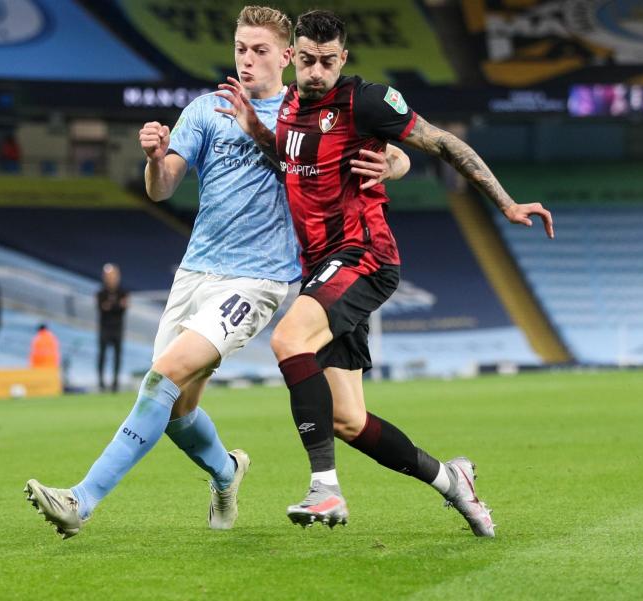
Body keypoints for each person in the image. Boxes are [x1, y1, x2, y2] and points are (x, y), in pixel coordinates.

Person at [23, 6, 411, 539]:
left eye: (259, 51)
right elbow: (162, 187)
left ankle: (81, 500)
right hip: (195, 272)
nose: (247, 60)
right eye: (240, 49)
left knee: (162, 377)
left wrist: (391, 163)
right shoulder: (206, 110)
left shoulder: (305, 111)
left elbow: (395, 155)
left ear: (287, 56)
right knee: (176, 409)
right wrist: (156, 159)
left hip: (260, 280)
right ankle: (227, 473)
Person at [216, 9, 554, 536]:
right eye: (308, 61)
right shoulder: (286, 108)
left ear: (343, 58)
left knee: (288, 341)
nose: (318, 72)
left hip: (363, 256)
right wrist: (255, 128)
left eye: (328, 61)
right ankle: (453, 481)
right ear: (292, 58)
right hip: (320, 269)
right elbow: (294, 157)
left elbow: (441, 142)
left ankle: (325, 490)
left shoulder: (366, 101)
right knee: (347, 420)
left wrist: (505, 203)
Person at [96, 263, 129, 392]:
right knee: (102, 356)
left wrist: (111, 306)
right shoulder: (101, 293)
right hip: (104, 329)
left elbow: (122, 308)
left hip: (118, 329)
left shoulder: (123, 292)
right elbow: (102, 308)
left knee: (117, 356)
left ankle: (115, 384)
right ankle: (101, 384)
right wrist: (116, 306)